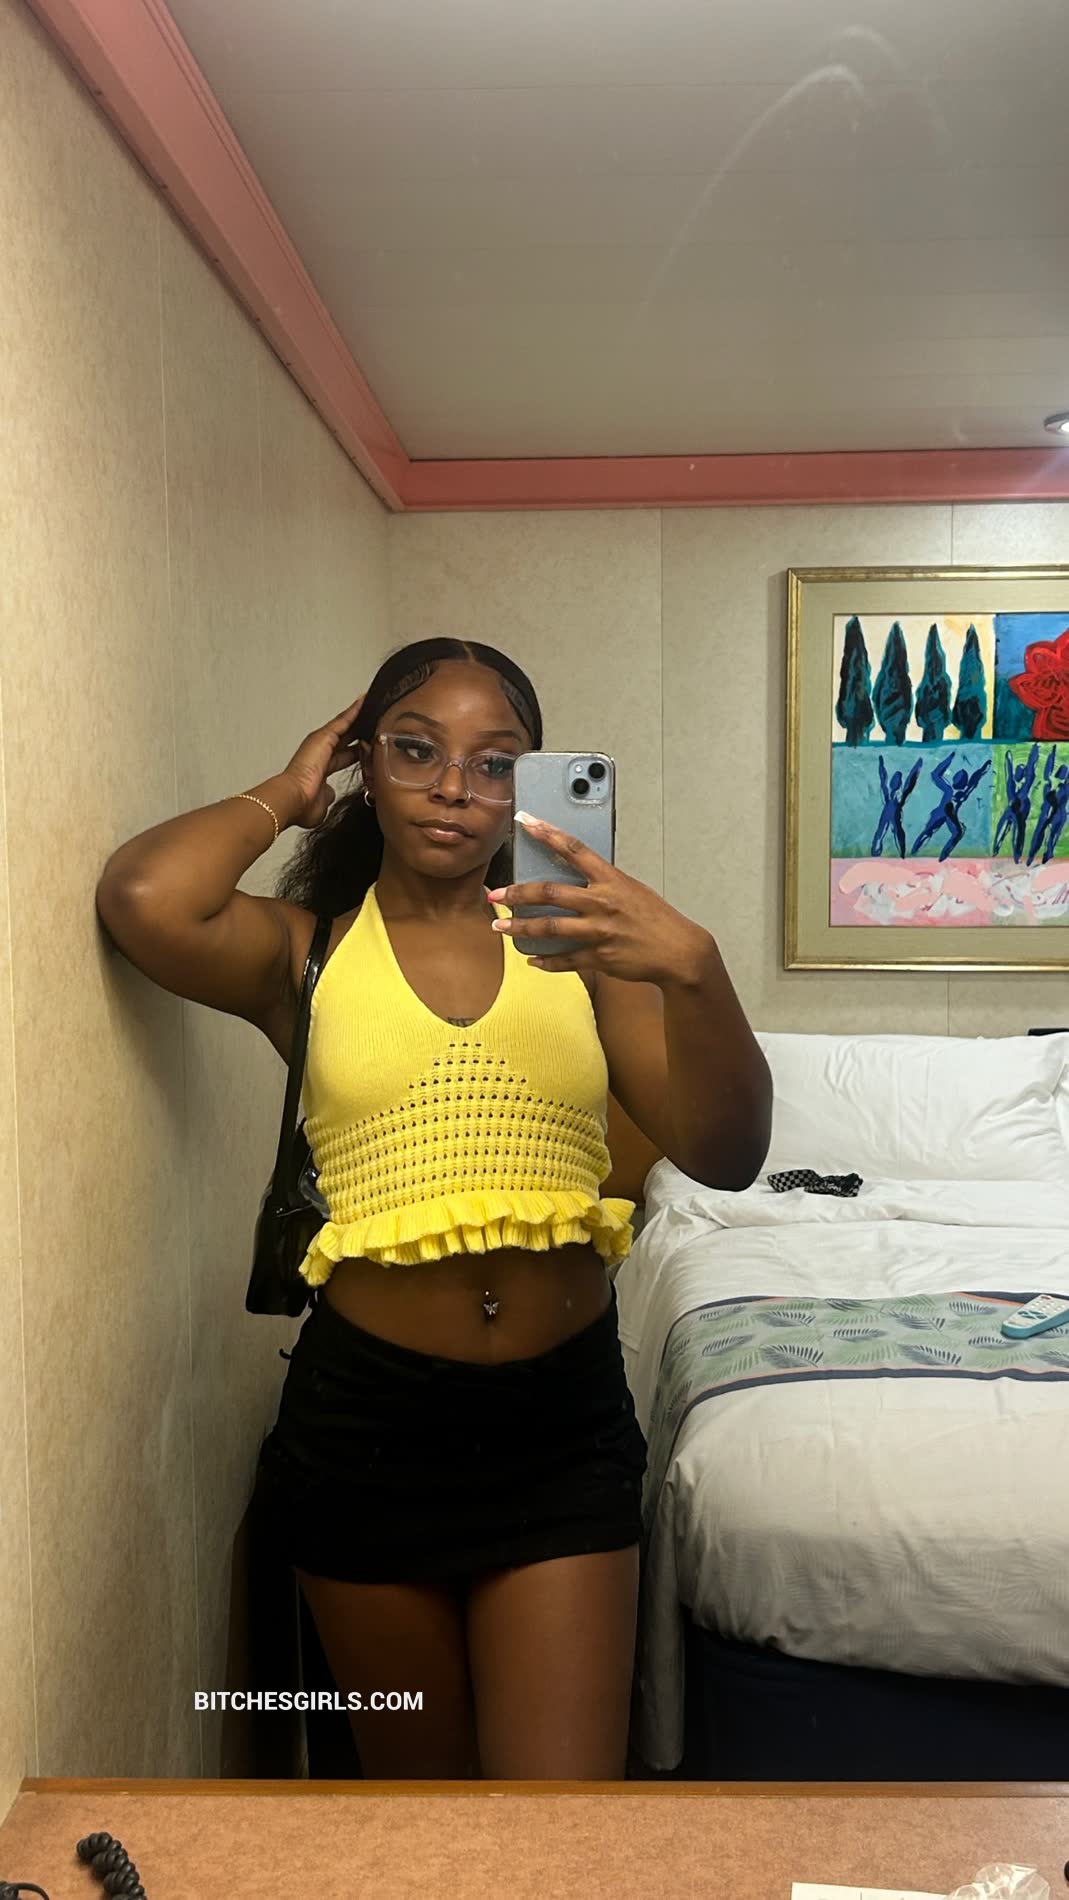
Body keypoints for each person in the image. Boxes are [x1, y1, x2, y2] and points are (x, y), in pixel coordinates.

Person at [95, 636, 771, 1780]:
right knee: (425, 1820)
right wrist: (288, 792)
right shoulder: (308, 951)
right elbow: (144, 896)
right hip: (366, 1432)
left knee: (553, 1832)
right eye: (415, 751)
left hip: (561, 1431)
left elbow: (728, 1153)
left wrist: (695, 970)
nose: (455, 787)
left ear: (528, 784)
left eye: (494, 762)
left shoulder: (584, 958)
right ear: (364, 763)